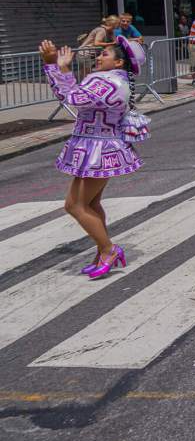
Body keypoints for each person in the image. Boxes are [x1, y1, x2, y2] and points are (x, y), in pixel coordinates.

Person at [39, 34, 148, 278]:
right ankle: (102, 251)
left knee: (75, 206)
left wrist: (58, 66)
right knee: (89, 204)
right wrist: (56, 66)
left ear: (119, 63)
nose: (99, 57)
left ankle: (109, 249)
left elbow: (74, 98)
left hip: (99, 149)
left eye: (105, 54)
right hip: (93, 146)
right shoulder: (110, 79)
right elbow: (73, 97)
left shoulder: (110, 83)